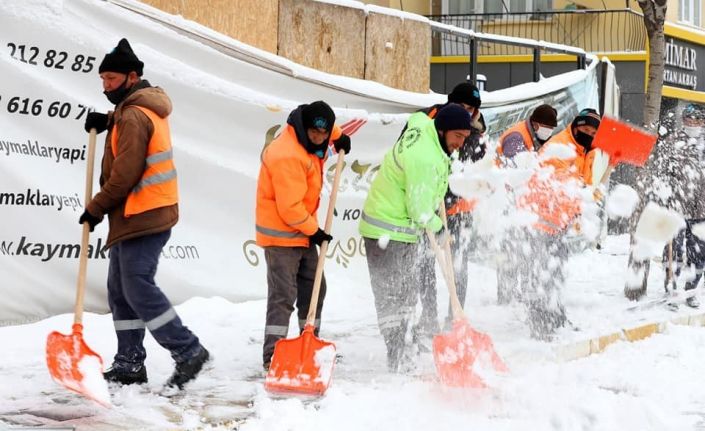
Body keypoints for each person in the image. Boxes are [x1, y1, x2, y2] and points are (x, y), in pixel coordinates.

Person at [80, 38, 209, 389]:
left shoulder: (135, 114)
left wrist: (94, 209)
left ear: (131, 77)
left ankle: (187, 349)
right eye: (102, 79)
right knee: (119, 291)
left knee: (136, 286)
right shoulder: (132, 109)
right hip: (136, 213)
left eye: (110, 79)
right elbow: (127, 120)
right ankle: (130, 362)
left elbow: (125, 174)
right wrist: (107, 119)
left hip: (145, 212)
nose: (105, 85)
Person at [359, 104, 472, 372]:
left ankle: (406, 346)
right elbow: (420, 211)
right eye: (457, 136)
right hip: (386, 229)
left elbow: (417, 117)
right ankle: (398, 355)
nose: (460, 144)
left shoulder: (426, 128)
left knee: (407, 294)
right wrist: (442, 230)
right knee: (392, 299)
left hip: (401, 229)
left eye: (464, 138)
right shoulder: (425, 157)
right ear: (442, 130)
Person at [256, 101, 351, 371]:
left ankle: (310, 343)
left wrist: (339, 136)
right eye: (315, 133)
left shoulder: (315, 134)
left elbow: (327, 125)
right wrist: (316, 232)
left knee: (315, 289)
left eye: (324, 134)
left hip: (302, 231)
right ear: (303, 128)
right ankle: (273, 355)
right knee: (283, 295)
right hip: (282, 234)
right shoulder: (286, 154)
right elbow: (289, 208)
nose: (320, 138)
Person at [412, 82, 486, 337]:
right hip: (431, 208)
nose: (469, 113)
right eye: (464, 107)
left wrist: (458, 192)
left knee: (459, 265)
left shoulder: (476, 130)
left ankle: (455, 317)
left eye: (473, 109)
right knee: (425, 262)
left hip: (462, 209)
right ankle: (429, 317)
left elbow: (475, 169)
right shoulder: (427, 119)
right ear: (451, 102)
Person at [627, 103, 705, 308]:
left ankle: (691, 291)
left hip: (702, 210)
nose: (692, 123)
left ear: (702, 122)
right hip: (677, 208)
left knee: (698, 253)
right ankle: (671, 289)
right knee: (674, 252)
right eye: (688, 119)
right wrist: (665, 193)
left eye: (696, 119)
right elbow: (661, 173)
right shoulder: (672, 142)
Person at [494, 104, 558, 304]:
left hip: (522, 202)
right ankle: (506, 295)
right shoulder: (517, 138)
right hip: (506, 200)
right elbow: (516, 174)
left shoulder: (534, 137)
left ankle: (520, 292)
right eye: (547, 127)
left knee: (524, 247)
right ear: (537, 124)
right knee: (510, 248)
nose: (549, 132)